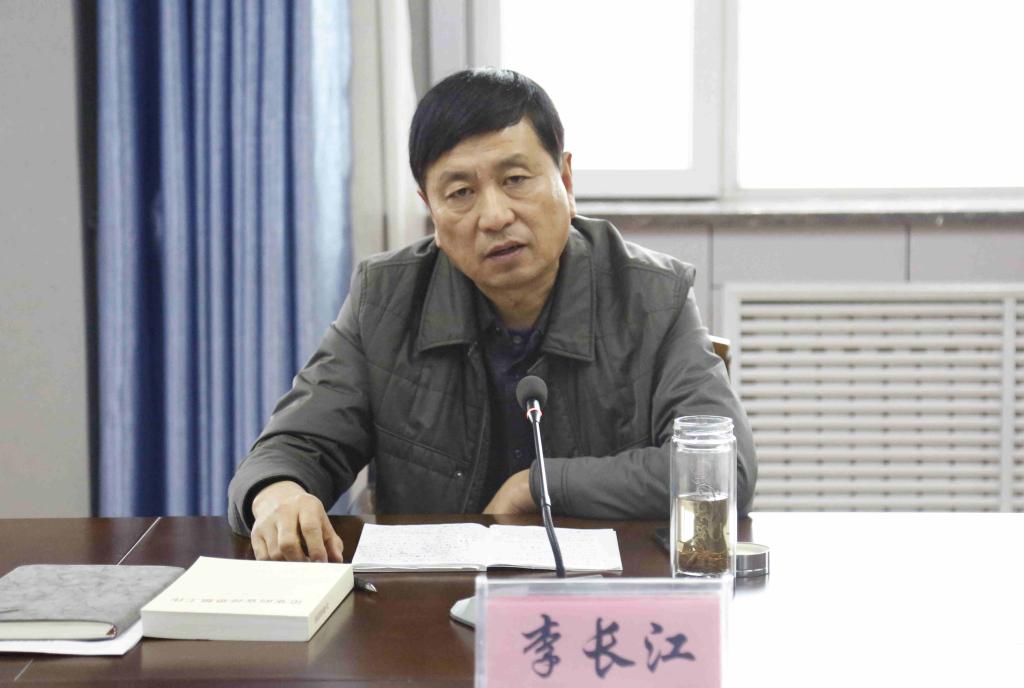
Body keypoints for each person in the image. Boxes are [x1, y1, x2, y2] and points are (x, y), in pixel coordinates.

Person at [227, 68, 757, 562]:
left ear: (566, 180)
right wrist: (277, 494)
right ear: (431, 210)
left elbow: (722, 473)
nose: (495, 216)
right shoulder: (385, 299)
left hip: (601, 597)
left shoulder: (652, 297)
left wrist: (537, 485)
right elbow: (295, 446)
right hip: (426, 604)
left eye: (516, 179)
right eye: (460, 193)